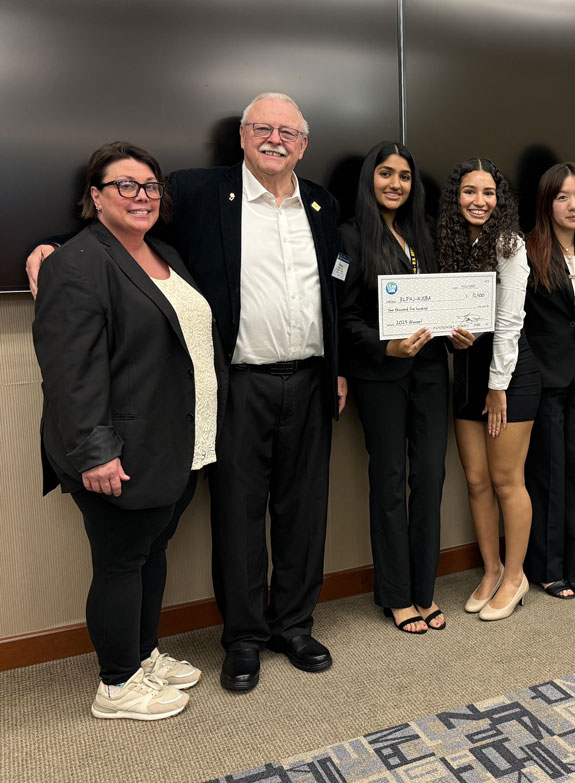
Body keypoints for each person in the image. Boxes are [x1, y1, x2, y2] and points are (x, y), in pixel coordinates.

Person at [27, 92, 344, 691]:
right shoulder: (199, 192)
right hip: (237, 383)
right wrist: (54, 245)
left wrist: (340, 368)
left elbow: (334, 293)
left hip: (310, 378)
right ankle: (245, 637)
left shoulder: (323, 204)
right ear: (244, 136)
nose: (275, 139)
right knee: (237, 513)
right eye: (262, 128)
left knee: (305, 510)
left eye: (289, 132)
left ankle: (295, 624)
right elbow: (124, 216)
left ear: (304, 144)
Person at [33, 141, 226, 720]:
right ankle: (116, 685)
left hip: (179, 442)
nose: (141, 196)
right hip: (119, 451)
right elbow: (70, 373)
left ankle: (142, 654)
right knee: (121, 562)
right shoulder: (77, 262)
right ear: (95, 196)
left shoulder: (162, 252)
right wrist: (96, 453)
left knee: (151, 551)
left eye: (150, 186)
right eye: (125, 185)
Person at [338, 141, 467, 634]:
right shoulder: (348, 239)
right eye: (386, 174)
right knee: (390, 481)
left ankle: (423, 589)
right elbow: (342, 315)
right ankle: (396, 594)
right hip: (381, 377)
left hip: (433, 372)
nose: (396, 184)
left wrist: (461, 330)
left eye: (406, 176)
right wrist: (382, 347)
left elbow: (447, 302)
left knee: (431, 477)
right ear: (370, 178)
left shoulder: (426, 236)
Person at [437, 158, 539, 620]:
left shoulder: (510, 243)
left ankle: (515, 578)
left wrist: (498, 386)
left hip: (509, 374)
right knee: (476, 481)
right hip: (467, 370)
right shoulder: (451, 241)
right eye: (469, 191)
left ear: (501, 200)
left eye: (489, 193)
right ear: (455, 197)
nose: (479, 201)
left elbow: (509, 320)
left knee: (505, 480)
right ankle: (491, 569)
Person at [522, 163, 575, 598]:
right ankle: (547, 566)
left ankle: (574, 563)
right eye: (562, 197)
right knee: (547, 474)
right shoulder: (528, 249)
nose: (573, 206)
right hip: (544, 378)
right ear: (547, 203)